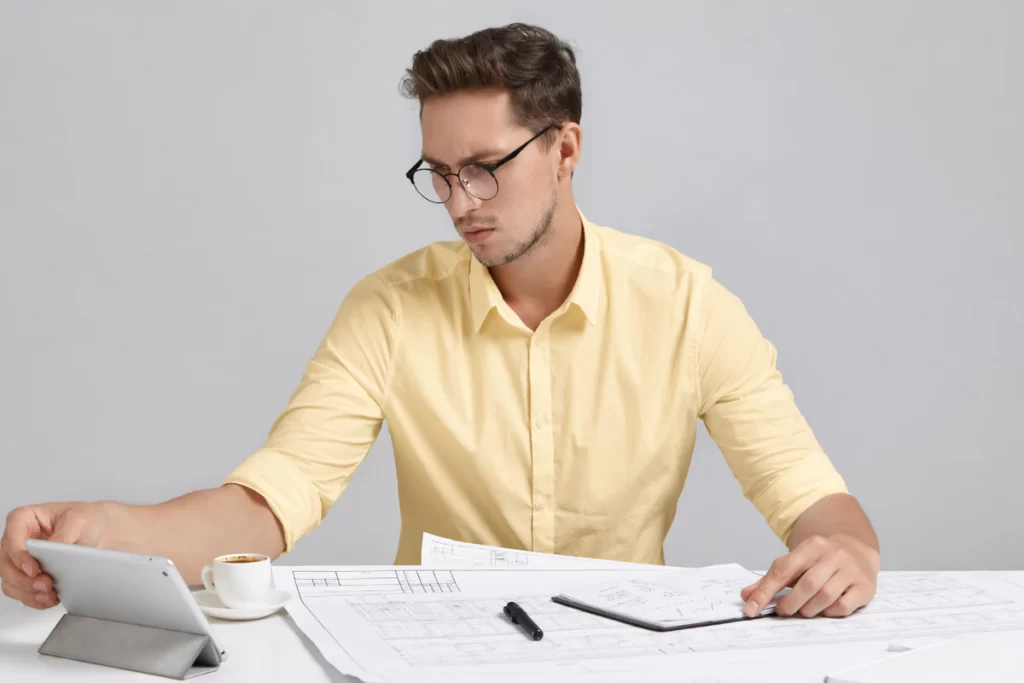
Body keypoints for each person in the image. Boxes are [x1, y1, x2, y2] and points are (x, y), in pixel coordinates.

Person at [1, 22, 879, 620]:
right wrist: (109, 533)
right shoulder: (388, 307)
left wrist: (845, 552)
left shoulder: (689, 306)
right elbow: (270, 503)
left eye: (484, 168)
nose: (460, 202)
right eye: (439, 173)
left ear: (565, 149)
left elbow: (814, 500)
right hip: (428, 655)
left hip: (618, 653)